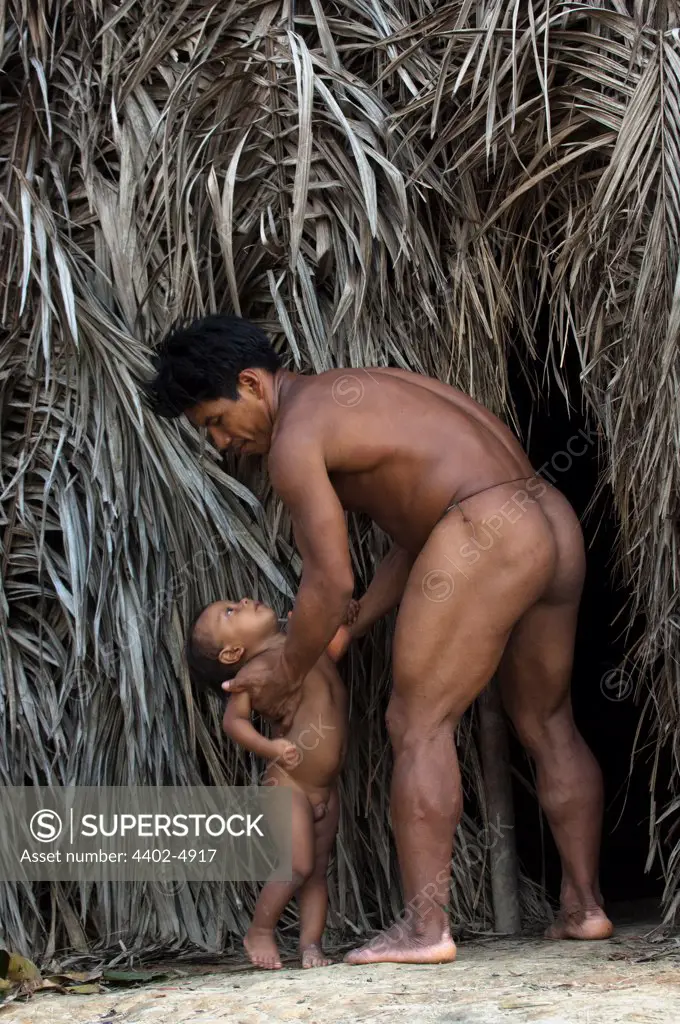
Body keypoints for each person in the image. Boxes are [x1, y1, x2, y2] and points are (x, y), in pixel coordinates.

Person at [148, 314, 613, 965]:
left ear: (251, 383)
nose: (224, 441)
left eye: (216, 422)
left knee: (416, 722)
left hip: (487, 530)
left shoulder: (295, 439)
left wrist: (290, 663)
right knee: (549, 720)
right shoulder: (366, 389)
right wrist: (358, 621)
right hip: (545, 519)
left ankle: (427, 929)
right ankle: (584, 907)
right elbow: (424, 526)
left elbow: (329, 581)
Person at [187, 595, 351, 969]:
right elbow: (234, 722)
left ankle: (311, 945)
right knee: (298, 864)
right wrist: (270, 747)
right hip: (288, 783)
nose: (242, 601)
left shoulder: (300, 640)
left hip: (325, 789)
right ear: (232, 654)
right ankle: (259, 931)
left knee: (316, 873)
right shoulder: (254, 673)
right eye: (229, 612)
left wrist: (339, 616)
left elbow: (338, 645)